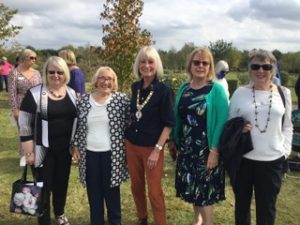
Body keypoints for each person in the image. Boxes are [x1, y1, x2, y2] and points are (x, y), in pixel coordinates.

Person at [229, 49, 293, 225]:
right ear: (250, 70)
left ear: (273, 70)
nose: (261, 71)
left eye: (266, 67)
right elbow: (230, 123)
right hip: (244, 160)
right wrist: (239, 129)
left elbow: (288, 126)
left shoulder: (284, 93)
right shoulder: (239, 94)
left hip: (272, 162)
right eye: (256, 66)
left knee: (267, 210)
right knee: (242, 208)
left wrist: (285, 151)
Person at [169, 47, 228, 225]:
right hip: (187, 148)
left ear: (210, 66)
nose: (200, 66)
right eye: (196, 62)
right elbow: (177, 115)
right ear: (190, 65)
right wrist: (173, 139)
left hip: (207, 149)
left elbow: (222, 121)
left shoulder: (215, 89)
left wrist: (215, 150)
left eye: (205, 62)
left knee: (205, 193)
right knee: (192, 188)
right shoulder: (184, 88)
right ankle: (197, 221)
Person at [19, 56, 77, 225]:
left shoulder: (71, 93)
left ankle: (59, 214)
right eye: (52, 72)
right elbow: (25, 125)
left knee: (61, 184)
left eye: (60, 72)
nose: (56, 75)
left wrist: (74, 146)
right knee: (43, 187)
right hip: (41, 151)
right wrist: (29, 153)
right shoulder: (35, 93)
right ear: (45, 73)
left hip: (64, 151)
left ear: (65, 73)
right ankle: (43, 220)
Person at [71, 66, 129, 225]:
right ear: (96, 80)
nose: (106, 82)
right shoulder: (83, 100)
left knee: (112, 193)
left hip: (113, 155)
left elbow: (131, 123)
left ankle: (115, 222)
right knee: (94, 193)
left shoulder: (121, 100)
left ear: (114, 82)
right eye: (102, 78)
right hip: (89, 154)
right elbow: (77, 126)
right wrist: (75, 145)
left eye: (110, 79)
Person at [125, 46, 175, 225]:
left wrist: (157, 149)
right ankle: (142, 217)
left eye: (150, 61)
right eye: (143, 61)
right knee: (136, 186)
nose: (146, 65)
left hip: (152, 148)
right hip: (132, 145)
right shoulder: (135, 87)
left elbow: (169, 124)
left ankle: (160, 222)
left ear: (157, 64)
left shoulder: (164, 91)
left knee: (154, 192)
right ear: (138, 65)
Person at [8, 49, 42, 129]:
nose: (34, 60)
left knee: (36, 133)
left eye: (35, 58)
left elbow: (41, 89)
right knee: (24, 134)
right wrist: (15, 110)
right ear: (24, 58)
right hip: (21, 107)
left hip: (36, 106)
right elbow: (11, 93)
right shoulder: (14, 72)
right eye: (31, 58)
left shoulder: (37, 73)